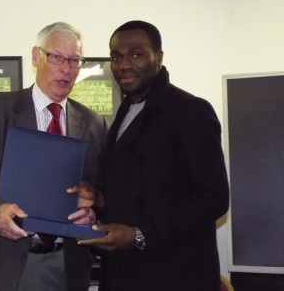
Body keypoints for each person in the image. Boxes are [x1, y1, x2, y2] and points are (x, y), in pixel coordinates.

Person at [0, 22, 108, 291]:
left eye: (75, 60)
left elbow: (102, 188)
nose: (66, 68)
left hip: (63, 266)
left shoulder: (93, 124)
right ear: (36, 56)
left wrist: (94, 209)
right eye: (56, 57)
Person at [77, 20, 230, 290]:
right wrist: (100, 198)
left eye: (136, 54)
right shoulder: (126, 111)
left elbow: (213, 197)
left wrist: (139, 235)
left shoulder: (190, 111)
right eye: (116, 56)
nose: (124, 64)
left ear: (158, 58)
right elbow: (147, 187)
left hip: (175, 277)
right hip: (126, 275)